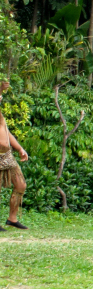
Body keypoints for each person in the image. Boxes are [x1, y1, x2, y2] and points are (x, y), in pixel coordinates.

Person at [0, 81, 29, 231]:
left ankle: (12, 219)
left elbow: (7, 133)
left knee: (20, 185)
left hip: (7, 156)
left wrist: (20, 148)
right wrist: (0, 90)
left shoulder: (1, 117)